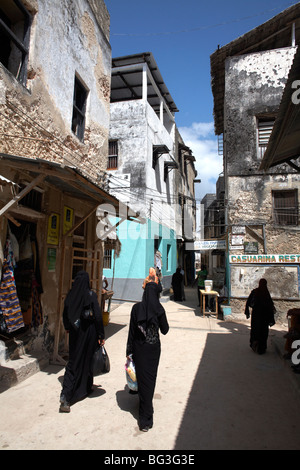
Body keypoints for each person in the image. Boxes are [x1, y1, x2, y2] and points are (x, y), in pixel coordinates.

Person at [126, 280, 169, 431]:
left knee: (142, 378)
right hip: (153, 350)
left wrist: (128, 352)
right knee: (150, 379)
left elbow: (131, 332)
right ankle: (146, 417)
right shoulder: (159, 309)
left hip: (139, 349)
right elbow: (165, 330)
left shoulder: (136, 308)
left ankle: (144, 412)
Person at [59, 270, 105, 412]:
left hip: (75, 334)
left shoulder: (70, 296)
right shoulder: (90, 295)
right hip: (89, 333)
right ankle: (76, 392)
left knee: (74, 361)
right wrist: (101, 335)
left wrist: (68, 327)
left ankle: (67, 395)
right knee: (87, 359)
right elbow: (97, 317)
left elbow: (65, 314)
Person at [244, 278, 276, 355]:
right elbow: (271, 306)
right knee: (263, 332)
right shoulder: (266, 294)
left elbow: (249, 302)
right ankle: (261, 348)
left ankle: (255, 344)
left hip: (256, 316)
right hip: (264, 318)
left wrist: (250, 310)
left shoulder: (255, 292)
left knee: (255, 330)